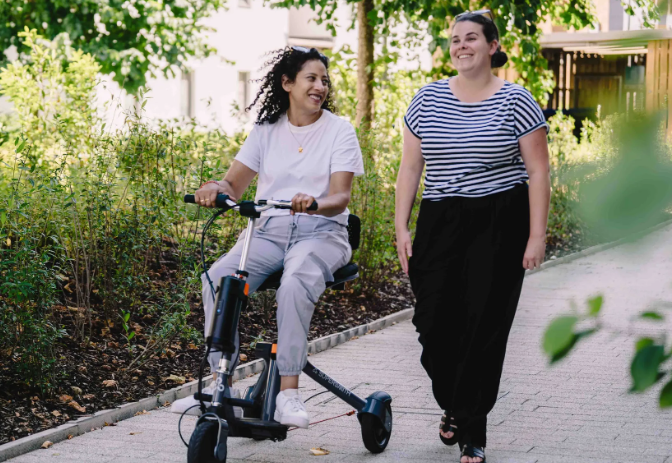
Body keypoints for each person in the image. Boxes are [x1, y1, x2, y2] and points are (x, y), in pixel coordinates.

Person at [171, 46, 365, 429]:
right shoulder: (266, 131)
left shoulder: (339, 131)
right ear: (287, 83)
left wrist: (314, 202)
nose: (320, 86)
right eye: (311, 78)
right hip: (270, 231)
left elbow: (341, 196)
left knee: (294, 284)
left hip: (321, 232)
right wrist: (215, 187)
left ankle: (288, 394)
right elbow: (234, 183)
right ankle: (219, 385)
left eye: (324, 80)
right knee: (217, 280)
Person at [394, 10, 550, 463]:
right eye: (455, 39)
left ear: (493, 46)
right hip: (440, 219)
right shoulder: (425, 100)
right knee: (433, 323)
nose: (462, 45)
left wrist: (536, 236)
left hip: (501, 220)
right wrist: (401, 227)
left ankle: (471, 428)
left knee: (484, 325)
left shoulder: (517, 101)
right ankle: (457, 405)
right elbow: (410, 169)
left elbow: (538, 172)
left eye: (472, 38)